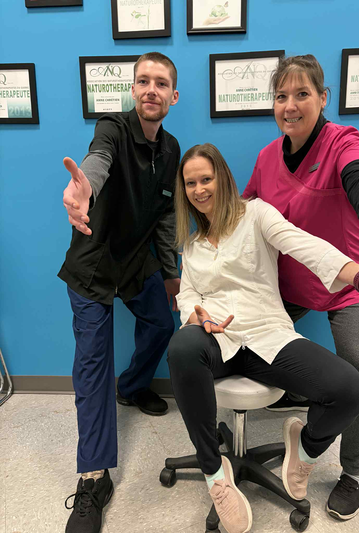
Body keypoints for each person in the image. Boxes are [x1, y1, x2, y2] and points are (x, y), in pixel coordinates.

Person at [167, 143, 359, 533]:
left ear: (223, 178)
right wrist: (195, 314)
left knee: (350, 389)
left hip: (266, 335)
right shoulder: (191, 246)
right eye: (190, 183)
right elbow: (188, 293)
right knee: (182, 347)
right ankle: (215, 475)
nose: (199, 189)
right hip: (216, 340)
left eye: (206, 179)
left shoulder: (256, 214)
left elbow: (304, 245)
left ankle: (305, 449)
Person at [242, 54, 359, 521]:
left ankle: (353, 471)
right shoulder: (267, 157)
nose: (290, 105)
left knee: (357, 370)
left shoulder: (342, 141)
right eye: (281, 96)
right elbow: (246, 208)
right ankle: (298, 392)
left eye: (302, 94)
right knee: (245, 339)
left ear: (323, 98)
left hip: (352, 280)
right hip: (293, 278)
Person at [59, 52, 180, 533]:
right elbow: (98, 159)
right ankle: (93, 478)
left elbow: (166, 218)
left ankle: (130, 388)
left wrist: (170, 273)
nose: (151, 89)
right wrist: (84, 186)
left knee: (162, 324)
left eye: (161, 83)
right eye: (143, 81)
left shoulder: (171, 149)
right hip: (93, 259)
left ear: (173, 97)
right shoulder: (112, 127)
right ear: (133, 90)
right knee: (93, 363)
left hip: (136, 260)